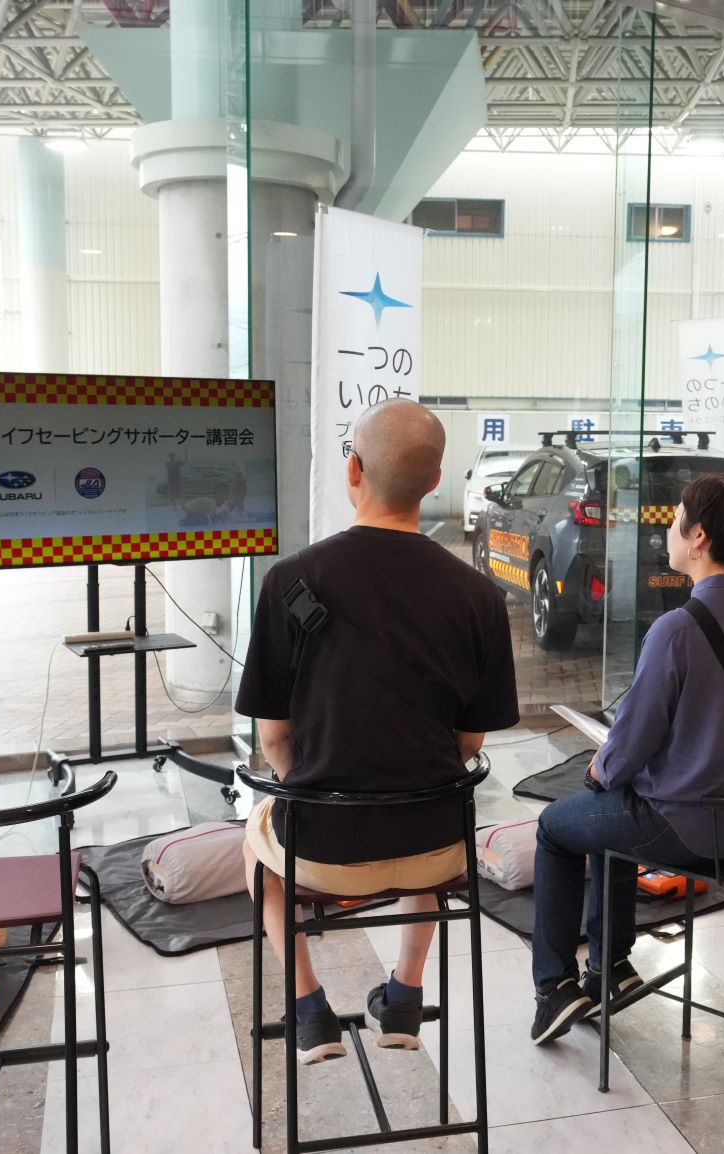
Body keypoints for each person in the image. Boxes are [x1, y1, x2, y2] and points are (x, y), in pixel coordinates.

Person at [235, 399, 520, 1065]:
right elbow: (469, 745)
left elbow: (273, 741)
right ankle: (404, 995)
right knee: (430, 795)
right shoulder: (479, 596)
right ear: (435, 479)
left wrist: (317, 790)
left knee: (257, 854)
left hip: (321, 848)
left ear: (353, 470)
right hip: (437, 844)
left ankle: (309, 1010)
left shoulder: (289, 581)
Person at [527, 472, 724, 1045]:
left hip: (695, 827)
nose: (670, 529)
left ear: (699, 537)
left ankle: (554, 986)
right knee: (611, 811)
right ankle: (609, 967)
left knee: (558, 825)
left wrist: (601, 766)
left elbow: (630, 746)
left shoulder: (676, 630)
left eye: (676, 518)